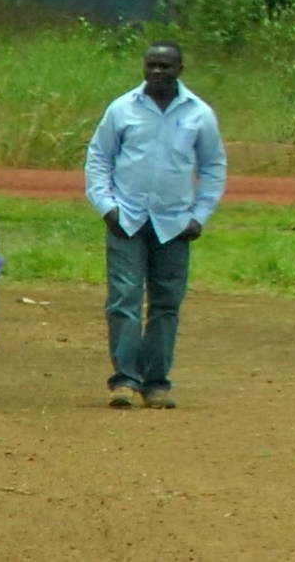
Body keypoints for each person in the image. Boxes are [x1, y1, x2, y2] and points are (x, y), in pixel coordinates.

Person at [83, 40, 226, 409]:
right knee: (124, 300)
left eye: (165, 66)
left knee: (166, 304)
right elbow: (99, 157)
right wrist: (105, 206)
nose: (157, 72)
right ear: (143, 67)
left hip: (175, 223)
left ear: (180, 69)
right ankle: (125, 381)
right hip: (126, 219)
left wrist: (200, 215)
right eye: (151, 65)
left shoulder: (199, 114)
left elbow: (213, 167)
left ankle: (157, 382)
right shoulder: (122, 109)